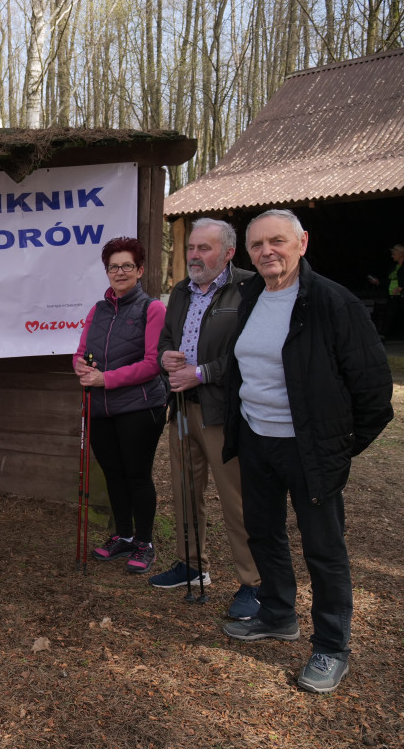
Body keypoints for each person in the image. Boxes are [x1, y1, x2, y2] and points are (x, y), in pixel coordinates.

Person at [221, 209, 393, 694]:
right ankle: (277, 614)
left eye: (277, 241)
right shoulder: (251, 296)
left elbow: (374, 392)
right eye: (257, 245)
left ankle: (332, 647)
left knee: (324, 548)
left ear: (303, 243)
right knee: (264, 533)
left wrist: (336, 448)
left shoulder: (332, 302)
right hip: (257, 440)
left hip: (308, 448)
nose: (266, 252)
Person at [149, 219, 261, 621]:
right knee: (184, 489)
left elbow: (248, 352)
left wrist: (201, 372)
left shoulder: (249, 287)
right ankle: (190, 564)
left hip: (222, 410)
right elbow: (166, 338)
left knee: (237, 499)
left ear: (229, 253)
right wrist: (166, 358)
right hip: (181, 406)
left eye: (205, 248)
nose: (194, 255)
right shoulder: (180, 289)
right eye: (192, 247)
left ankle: (254, 583)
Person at [73, 237, 168, 575]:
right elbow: (81, 350)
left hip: (140, 407)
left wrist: (105, 379)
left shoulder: (152, 309)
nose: (120, 272)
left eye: (127, 265)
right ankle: (123, 535)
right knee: (113, 474)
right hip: (101, 408)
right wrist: (81, 368)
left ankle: (144, 542)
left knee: (137, 475)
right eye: (114, 266)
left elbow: (153, 363)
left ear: (140, 270)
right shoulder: (97, 310)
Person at [367, 243, 404, 340]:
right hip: (393, 296)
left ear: (400, 254)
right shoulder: (394, 267)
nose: (392, 256)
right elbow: (389, 280)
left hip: (402, 295)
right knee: (388, 316)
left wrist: (401, 288)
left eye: (394, 254)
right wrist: (378, 282)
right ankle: (382, 337)